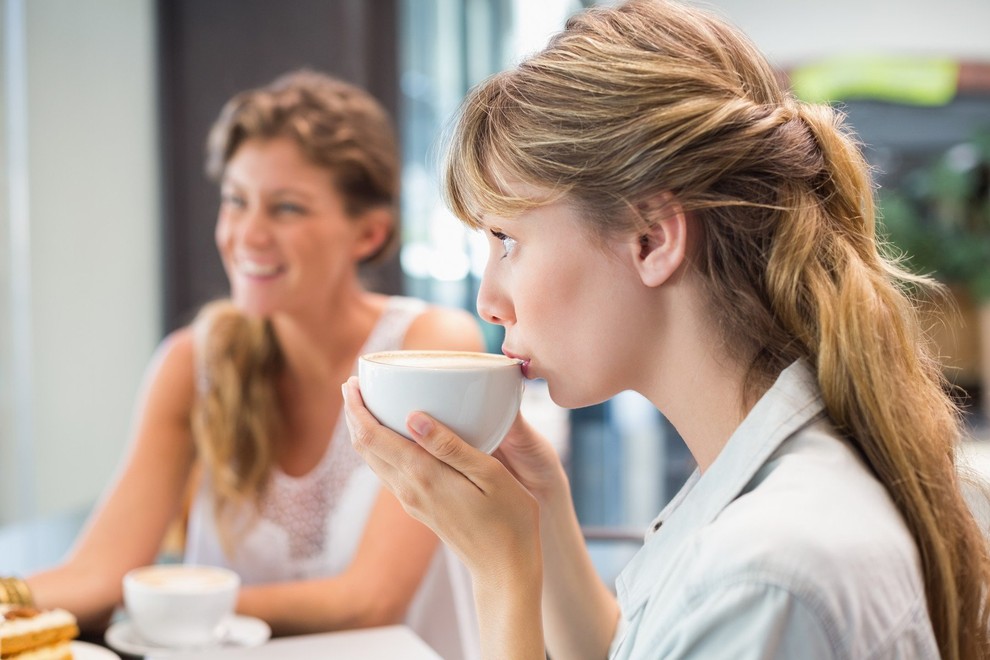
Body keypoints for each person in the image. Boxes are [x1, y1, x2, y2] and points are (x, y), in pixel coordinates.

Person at [342, 1, 990, 658]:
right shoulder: (754, 480)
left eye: (507, 240)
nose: (488, 301)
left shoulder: (766, 575)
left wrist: (501, 572)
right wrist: (544, 512)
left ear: (652, 239)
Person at [12, 70, 484, 658]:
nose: (247, 235)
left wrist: (164, 607)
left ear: (368, 233)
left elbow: (370, 600)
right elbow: (98, 573)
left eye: (286, 208)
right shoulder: (190, 362)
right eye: (236, 200)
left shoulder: (430, 346)